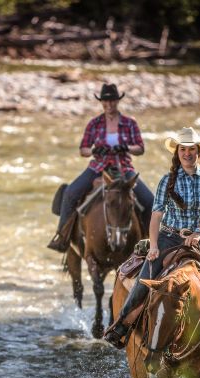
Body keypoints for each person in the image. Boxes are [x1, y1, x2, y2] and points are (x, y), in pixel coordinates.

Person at [104, 127, 200, 347]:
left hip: (198, 239)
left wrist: (198, 232)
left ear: (199, 152)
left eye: (192, 149)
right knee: (143, 281)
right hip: (169, 237)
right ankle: (120, 325)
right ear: (177, 152)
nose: (187, 153)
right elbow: (156, 215)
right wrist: (154, 246)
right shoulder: (167, 180)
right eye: (183, 149)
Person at [47, 83, 154, 252]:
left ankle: (150, 242)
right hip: (98, 167)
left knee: (150, 200)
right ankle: (62, 237)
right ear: (102, 103)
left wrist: (125, 147)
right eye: (106, 101)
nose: (109, 104)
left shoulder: (129, 122)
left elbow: (140, 148)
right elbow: (83, 149)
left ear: (117, 101)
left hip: (123, 168)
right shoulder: (94, 123)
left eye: (112, 101)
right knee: (70, 192)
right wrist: (94, 150)